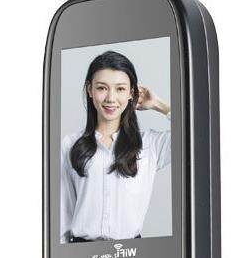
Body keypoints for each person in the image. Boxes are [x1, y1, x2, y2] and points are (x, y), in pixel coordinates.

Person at [59, 50, 171, 242]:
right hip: (81, 253)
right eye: (102, 88)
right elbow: (63, 212)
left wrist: (158, 105)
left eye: (120, 89)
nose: (111, 98)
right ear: (90, 90)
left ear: (131, 93)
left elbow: (197, 131)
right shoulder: (70, 145)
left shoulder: (150, 145)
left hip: (132, 253)